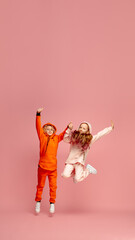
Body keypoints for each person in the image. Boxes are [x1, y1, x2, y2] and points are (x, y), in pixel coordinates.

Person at [35, 108, 68, 214]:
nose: (49, 131)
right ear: (44, 130)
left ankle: (52, 203)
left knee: (53, 187)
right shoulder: (42, 137)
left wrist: (68, 127)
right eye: (47, 129)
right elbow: (37, 126)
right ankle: (38, 201)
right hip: (42, 167)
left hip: (53, 168)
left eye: (51, 129)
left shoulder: (56, 138)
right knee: (40, 186)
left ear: (54, 131)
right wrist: (38, 114)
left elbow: (63, 135)